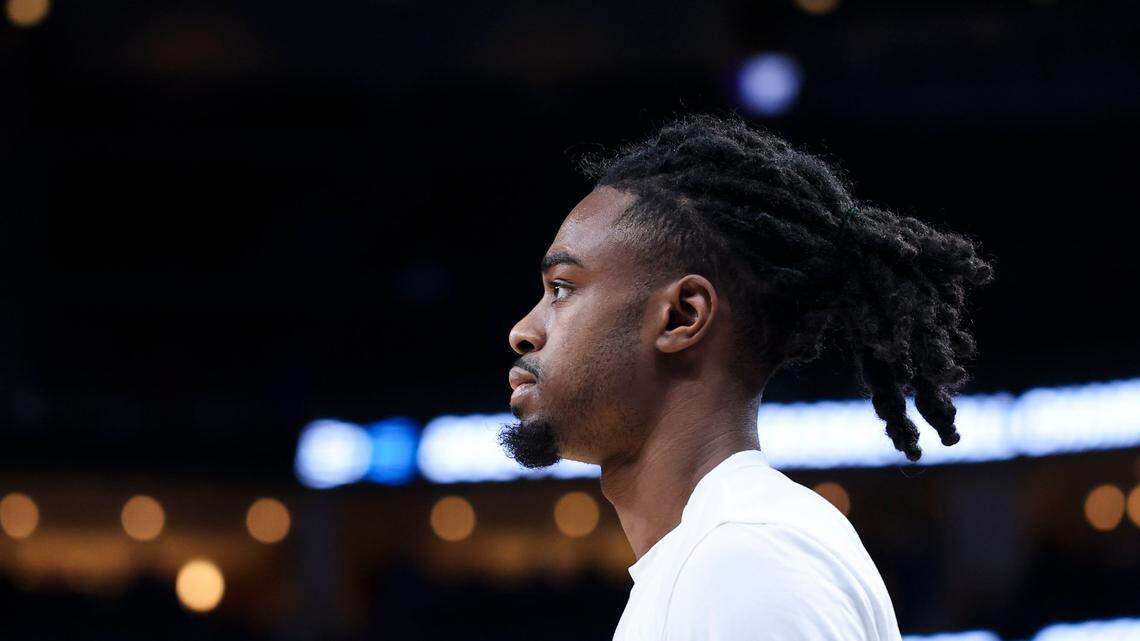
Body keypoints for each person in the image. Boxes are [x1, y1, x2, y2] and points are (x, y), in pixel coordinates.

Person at [500, 113, 994, 641]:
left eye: (562, 289)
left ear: (683, 316)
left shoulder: (742, 562)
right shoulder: (714, 557)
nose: (523, 331)